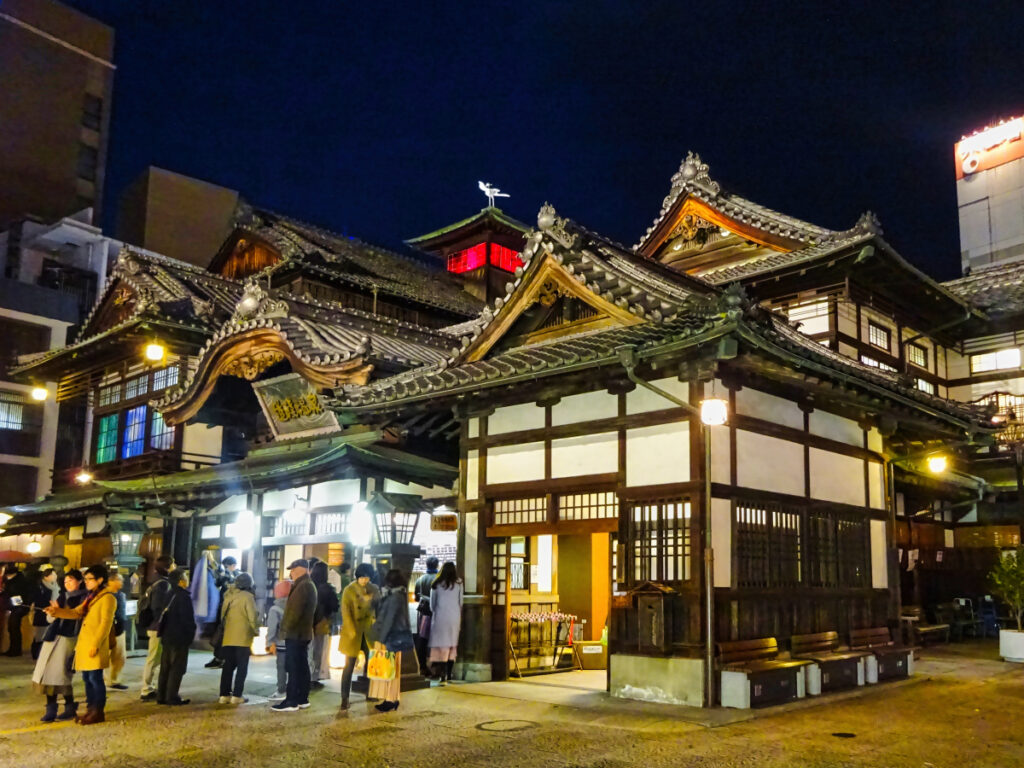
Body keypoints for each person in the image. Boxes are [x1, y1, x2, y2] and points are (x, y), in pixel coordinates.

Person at [45, 564, 117, 725]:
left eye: (90, 579)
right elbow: (76, 612)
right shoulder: (91, 597)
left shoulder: (108, 598)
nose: (87, 582)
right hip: (84, 643)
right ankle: (90, 709)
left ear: (100, 580)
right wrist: (55, 612)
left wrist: (96, 644)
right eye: (85, 579)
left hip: (95, 643)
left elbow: (105, 624)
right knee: (87, 678)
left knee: (95, 678)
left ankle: (98, 711)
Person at [32, 569, 86, 722]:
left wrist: (60, 611)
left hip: (68, 639)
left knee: (61, 675)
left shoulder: (84, 598)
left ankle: (69, 707)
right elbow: (50, 620)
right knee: (48, 675)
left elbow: (78, 618)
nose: (68, 584)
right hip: (52, 637)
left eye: (71, 580)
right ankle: (52, 708)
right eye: (66, 581)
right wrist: (51, 612)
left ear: (80, 581)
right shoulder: (62, 596)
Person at [271, 559, 317, 712]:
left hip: (296, 634)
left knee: (294, 667)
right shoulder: (307, 585)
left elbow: (293, 613)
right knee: (302, 666)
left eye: (293, 569)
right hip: (302, 633)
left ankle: (291, 700)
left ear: (301, 569)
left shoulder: (302, 586)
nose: (291, 572)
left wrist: (284, 631)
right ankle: (302, 698)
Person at [369, 569, 414, 712]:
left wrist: (381, 638)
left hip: (392, 637)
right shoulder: (397, 595)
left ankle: (390, 699)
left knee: (390, 671)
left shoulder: (395, 597)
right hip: (394, 636)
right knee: (393, 670)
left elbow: (389, 619)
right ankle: (392, 698)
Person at [338, 562, 379, 711]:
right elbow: (345, 611)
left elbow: (379, 608)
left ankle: (370, 692)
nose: (364, 580)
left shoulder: (374, 589)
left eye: (367, 577)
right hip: (353, 631)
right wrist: (350, 630)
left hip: (368, 631)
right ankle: (344, 697)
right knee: (349, 665)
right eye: (362, 577)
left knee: (370, 664)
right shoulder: (349, 590)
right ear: (357, 577)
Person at [218, 571, 259, 704]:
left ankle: (224, 695)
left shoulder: (228, 596)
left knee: (228, 666)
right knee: (242, 667)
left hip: (228, 636)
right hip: (243, 637)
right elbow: (252, 617)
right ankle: (237, 695)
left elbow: (222, 616)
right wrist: (256, 630)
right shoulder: (248, 597)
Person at [157, 568, 195, 706]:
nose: (187, 579)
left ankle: (161, 695)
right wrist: (190, 634)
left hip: (167, 635)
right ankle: (171, 696)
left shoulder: (169, 594)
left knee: (165, 666)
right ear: (180, 581)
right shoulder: (183, 597)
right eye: (185, 576)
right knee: (177, 667)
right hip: (179, 636)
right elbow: (187, 619)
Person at [139, 554, 175, 701]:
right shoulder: (163, 584)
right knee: (154, 659)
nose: (175, 567)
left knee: (155, 658)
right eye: (173, 564)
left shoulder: (155, 582)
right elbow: (158, 608)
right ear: (167, 567)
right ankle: (146, 688)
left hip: (155, 625)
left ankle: (150, 686)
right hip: (158, 627)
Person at [428, 561, 464, 685]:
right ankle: (449, 674)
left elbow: (432, 604)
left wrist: (436, 612)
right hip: (454, 617)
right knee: (452, 645)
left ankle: (441, 674)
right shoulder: (459, 583)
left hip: (440, 617)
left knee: (441, 646)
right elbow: (461, 602)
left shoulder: (436, 584)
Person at [310, 560, 339, 689]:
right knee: (320, 650)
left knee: (310, 650)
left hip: (308, 622)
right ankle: (315, 677)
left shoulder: (310, 585)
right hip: (322, 622)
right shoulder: (327, 589)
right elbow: (335, 606)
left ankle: (308, 676)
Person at [206, 555, 238, 669]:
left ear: (233, 566)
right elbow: (218, 581)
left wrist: (213, 562)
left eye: (227, 566)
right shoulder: (228, 575)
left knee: (225, 634)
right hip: (223, 608)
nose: (225, 568)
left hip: (231, 610)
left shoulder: (237, 576)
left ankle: (223, 658)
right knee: (220, 634)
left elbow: (222, 577)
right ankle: (218, 657)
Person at [265, 579, 292, 702]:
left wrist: (270, 642)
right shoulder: (295, 606)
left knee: (281, 668)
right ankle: (293, 689)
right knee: (293, 667)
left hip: (281, 643)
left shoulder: (275, 609)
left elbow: (272, 628)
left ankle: (281, 690)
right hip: (294, 642)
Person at [413, 556, 439, 676]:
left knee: (422, 640)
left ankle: (422, 667)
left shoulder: (420, 579)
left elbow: (417, 598)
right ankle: (435, 667)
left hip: (424, 613)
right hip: (437, 613)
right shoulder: (439, 579)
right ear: (437, 565)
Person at [31, 564, 61, 660]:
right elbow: (36, 599)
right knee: (40, 635)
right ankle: (36, 653)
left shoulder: (56, 586)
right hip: (41, 612)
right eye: (53, 575)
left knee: (48, 633)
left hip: (53, 613)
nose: (55, 577)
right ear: (46, 576)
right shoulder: (40, 587)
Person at [106, 571, 128, 690]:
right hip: (111, 628)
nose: (122, 582)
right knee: (111, 655)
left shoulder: (121, 594)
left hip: (120, 627)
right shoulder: (106, 595)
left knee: (120, 656)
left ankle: (114, 679)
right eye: (119, 580)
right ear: (111, 581)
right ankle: (111, 680)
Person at [3, 565, 29, 656]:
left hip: (18, 607)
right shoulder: (14, 580)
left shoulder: (17, 582)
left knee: (14, 628)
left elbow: (16, 594)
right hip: (16, 607)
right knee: (12, 628)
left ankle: (15, 650)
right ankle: (13, 649)